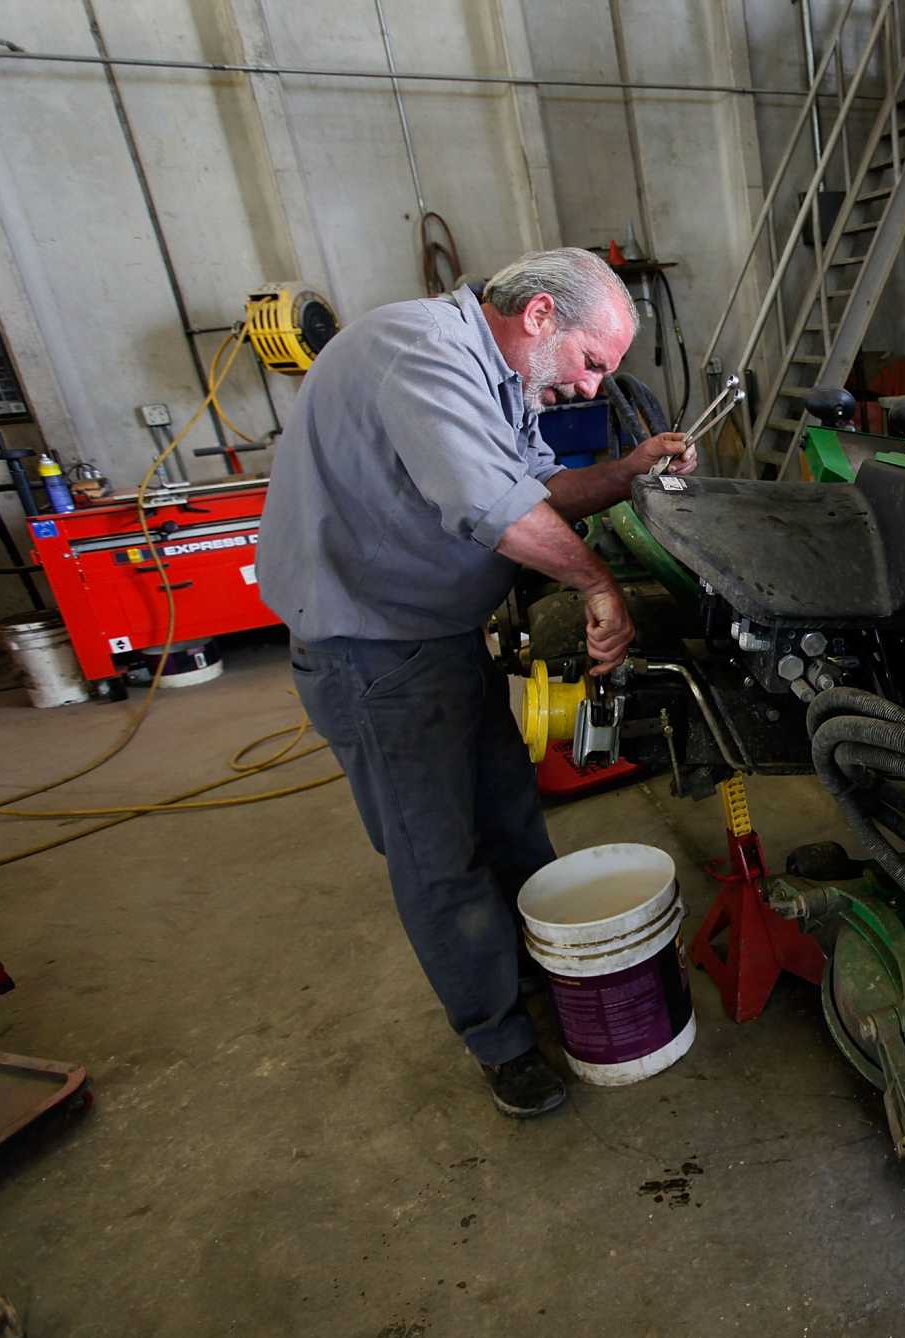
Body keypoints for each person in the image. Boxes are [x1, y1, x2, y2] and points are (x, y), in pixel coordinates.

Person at [255, 247, 698, 1118]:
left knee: (510, 822)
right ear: (539, 316)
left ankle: (545, 981)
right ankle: (501, 1039)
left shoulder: (500, 378)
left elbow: (535, 487)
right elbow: (489, 508)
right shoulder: (416, 351)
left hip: (441, 641)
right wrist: (598, 585)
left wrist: (630, 469)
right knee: (439, 858)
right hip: (373, 653)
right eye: (592, 362)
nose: (590, 385)